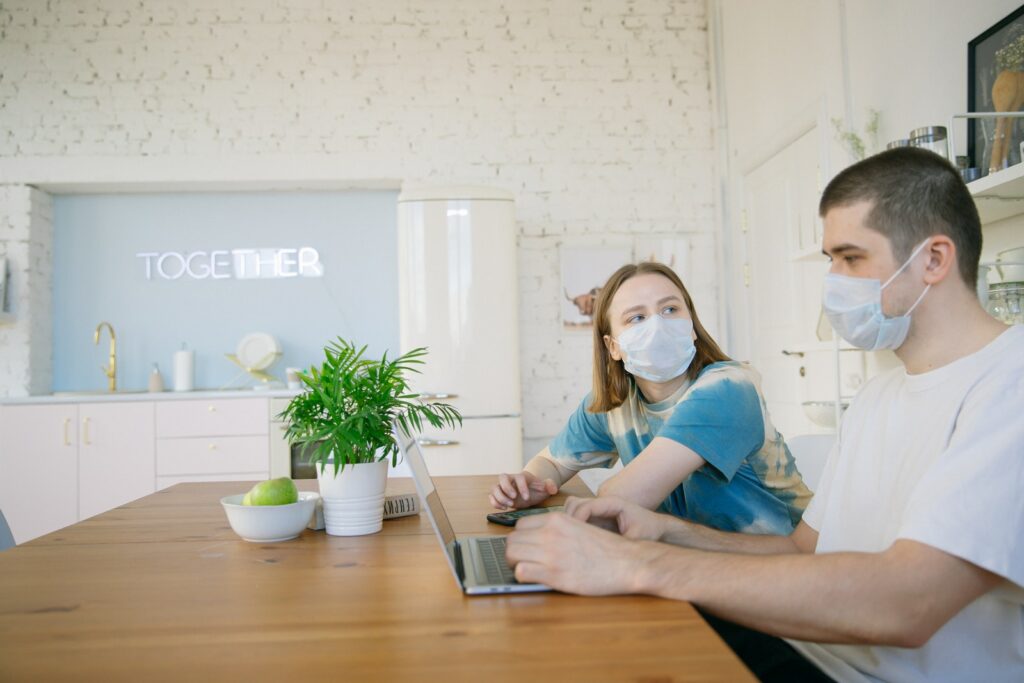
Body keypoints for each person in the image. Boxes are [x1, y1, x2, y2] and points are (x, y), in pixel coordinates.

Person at [505, 147, 1024, 683]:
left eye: (850, 258)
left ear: (934, 259)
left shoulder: (1010, 387)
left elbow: (907, 604)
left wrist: (637, 565)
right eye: (830, 260)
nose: (833, 282)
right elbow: (803, 549)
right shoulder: (878, 398)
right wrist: (664, 531)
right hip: (809, 648)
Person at [491, 261, 812, 535]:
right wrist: (530, 484)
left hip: (780, 563)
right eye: (637, 318)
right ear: (613, 346)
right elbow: (552, 462)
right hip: (692, 561)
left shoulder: (728, 389)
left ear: (692, 327)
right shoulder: (616, 402)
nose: (658, 325)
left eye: (670, 309)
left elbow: (621, 498)